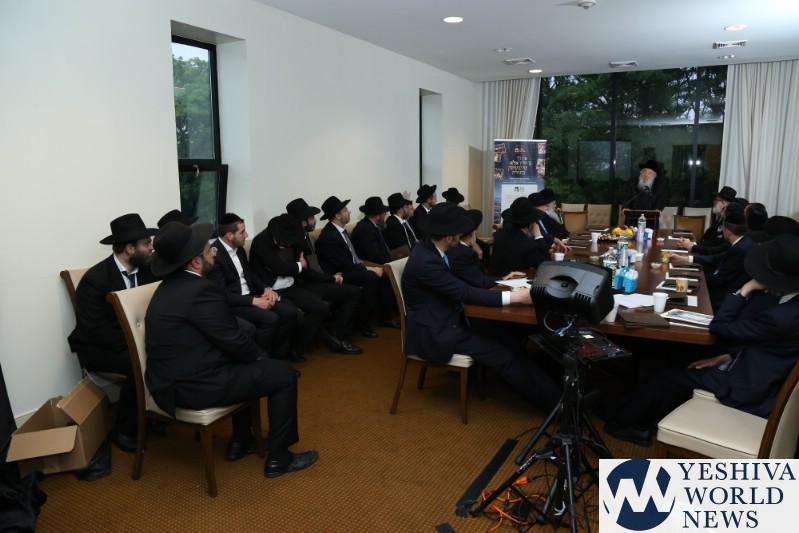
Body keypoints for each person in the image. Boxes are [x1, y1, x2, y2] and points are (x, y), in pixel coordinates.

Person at [145, 221, 318, 476]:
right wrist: (259, 358)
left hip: (169, 379)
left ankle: (241, 441)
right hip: (193, 386)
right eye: (209, 251)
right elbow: (233, 340)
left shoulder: (169, 286)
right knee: (284, 375)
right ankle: (279, 459)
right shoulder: (201, 289)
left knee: (251, 365)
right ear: (195, 262)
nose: (213, 254)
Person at [602, 234, 799, 446]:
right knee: (680, 360)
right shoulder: (790, 306)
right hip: (757, 368)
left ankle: (624, 421)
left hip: (750, 387)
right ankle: (638, 411)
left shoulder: (782, 316)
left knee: (668, 377)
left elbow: (719, 327)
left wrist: (744, 290)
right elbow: (772, 343)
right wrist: (729, 355)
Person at [402, 203, 560, 411]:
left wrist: (501, 281)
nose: (462, 236)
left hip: (451, 317)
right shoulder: (427, 262)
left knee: (509, 340)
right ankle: (556, 407)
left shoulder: (429, 248)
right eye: (459, 233)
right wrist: (515, 298)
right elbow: (465, 292)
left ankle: (555, 395)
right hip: (437, 331)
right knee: (504, 354)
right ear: (449, 237)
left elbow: (464, 286)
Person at [68, 213, 158, 452]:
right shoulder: (95, 279)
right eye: (146, 244)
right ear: (130, 249)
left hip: (134, 340)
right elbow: (94, 329)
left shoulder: (148, 271)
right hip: (99, 346)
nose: (152, 248)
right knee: (140, 363)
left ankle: (153, 414)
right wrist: (138, 344)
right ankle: (125, 429)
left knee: (166, 351)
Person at [249, 213, 363, 355]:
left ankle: (302, 344)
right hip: (271, 290)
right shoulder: (260, 242)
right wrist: (299, 265)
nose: (290, 245)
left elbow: (305, 271)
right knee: (292, 314)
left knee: (321, 308)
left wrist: (330, 278)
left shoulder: (295, 238)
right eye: (288, 242)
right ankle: (287, 351)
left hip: (293, 285)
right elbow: (279, 268)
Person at [209, 213, 301, 362]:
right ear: (230, 235)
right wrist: (254, 301)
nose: (246, 235)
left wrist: (266, 289)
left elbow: (250, 275)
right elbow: (222, 294)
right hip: (235, 303)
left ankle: (278, 357)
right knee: (271, 318)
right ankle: (260, 359)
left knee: (289, 312)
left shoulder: (239, 249)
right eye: (242, 232)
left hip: (252, 295)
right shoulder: (214, 256)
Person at [314, 196, 399, 335]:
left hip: (351, 269)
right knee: (370, 277)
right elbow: (344, 264)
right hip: (338, 275)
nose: (349, 212)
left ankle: (385, 317)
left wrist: (368, 268)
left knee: (383, 275)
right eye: (345, 210)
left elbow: (353, 260)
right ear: (337, 216)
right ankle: (364, 321)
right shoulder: (329, 236)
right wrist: (369, 268)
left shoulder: (340, 231)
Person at [669, 204, 755, 311]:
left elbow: (719, 279)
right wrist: (684, 259)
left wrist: (693, 278)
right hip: (722, 287)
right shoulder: (744, 242)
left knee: (678, 298)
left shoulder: (739, 249)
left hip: (722, 297)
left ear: (727, 232)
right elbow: (715, 258)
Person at [447, 209, 524, 289]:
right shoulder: (465, 254)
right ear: (472, 233)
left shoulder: (456, 249)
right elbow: (481, 282)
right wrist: (504, 279)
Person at [489, 197, 551, 277]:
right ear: (531, 223)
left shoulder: (499, 234)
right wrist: (538, 236)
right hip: (509, 281)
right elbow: (546, 263)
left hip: (492, 278)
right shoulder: (527, 246)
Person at [350, 196, 392, 264]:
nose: (384, 216)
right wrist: (393, 261)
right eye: (384, 213)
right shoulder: (364, 229)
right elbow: (376, 256)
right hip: (374, 265)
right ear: (377, 216)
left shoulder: (373, 225)